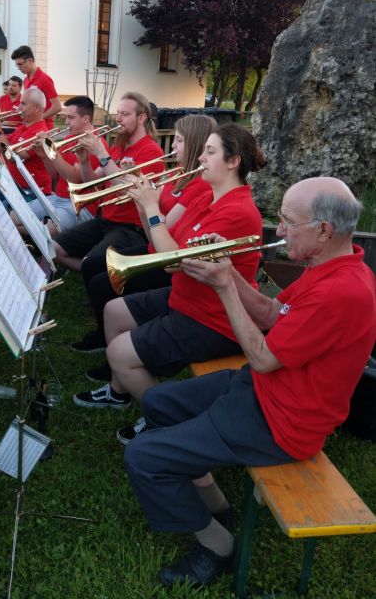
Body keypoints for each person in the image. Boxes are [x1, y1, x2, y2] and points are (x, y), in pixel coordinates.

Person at [123, 177, 376, 590]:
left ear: (323, 231)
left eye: (288, 221)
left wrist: (224, 286)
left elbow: (261, 357)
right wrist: (228, 268)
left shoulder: (342, 291)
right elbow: (273, 314)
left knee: (143, 457)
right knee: (159, 403)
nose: (279, 229)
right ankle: (216, 506)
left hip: (283, 423)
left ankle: (218, 547)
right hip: (264, 390)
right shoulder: (330, 266)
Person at [73, 123, 265, 443]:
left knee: (119, 353)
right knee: (113, 312)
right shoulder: (208, 198)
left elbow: (172, 261)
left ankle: (165, 418)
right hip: (186, 296)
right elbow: (161, 240)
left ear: (233, 162)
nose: (200, 157)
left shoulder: (238, 211)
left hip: (212, 317)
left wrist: (151, 208)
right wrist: (142, 205)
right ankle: (120, 392)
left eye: (210, 152)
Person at [72, 113, 216, 358]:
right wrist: (139, 192)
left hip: (168, 257)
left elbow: (166, 228)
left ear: (195, 143)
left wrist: (146, 203)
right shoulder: (177, 175)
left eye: (179, 140)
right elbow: (153, 214)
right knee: (91, 266)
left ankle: (110, 339)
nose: (173, 145)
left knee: (100, 283)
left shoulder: (199, 184)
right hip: (155, 246)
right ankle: (104, 330)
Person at [53, 92, 165, 274]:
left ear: (141, 118)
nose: (118, 119)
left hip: (130, 227)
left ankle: (97, 272)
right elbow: (93, 183)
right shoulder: (118, 146)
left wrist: (102, 154)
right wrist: (84, 162)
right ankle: (96, 272)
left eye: (125, 114)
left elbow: (126, 190)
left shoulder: (152, 151)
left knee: (91, 263)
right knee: (54, 249)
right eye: (118, 113)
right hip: (105, 219)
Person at [30, 95, 109, 236]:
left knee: (45, 231)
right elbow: (55, 175)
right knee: (15, 217)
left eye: (71, 118)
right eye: (66, 117)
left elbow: (74, 179)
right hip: (58, 198)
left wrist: (53, 151)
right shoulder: (69, 138)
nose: (66, 122)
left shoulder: (96, 143)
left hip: (80, 206)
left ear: (85, 119)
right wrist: (45, 157)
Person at [0, 86, 53, 196]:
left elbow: (13, 157)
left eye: (23, 104)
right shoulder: (23, 127)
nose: (19, 107)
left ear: (37, 108)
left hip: (32, 190)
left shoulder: (40, 132)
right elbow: (0, 148)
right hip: (15, 185)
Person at [12, 45, 61, 129]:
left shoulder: (44, 79)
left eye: (20, 64)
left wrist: (39, 118)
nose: (19, 68)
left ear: (30, 60)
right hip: (31, 125)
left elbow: (57, 107)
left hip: (44, 127)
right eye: (17, 65)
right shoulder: (25, 80)